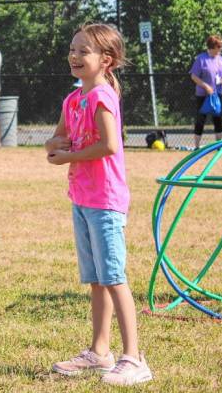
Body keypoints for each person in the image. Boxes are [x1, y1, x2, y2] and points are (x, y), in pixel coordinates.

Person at [45, 24, 153, 386]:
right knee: (96, 280)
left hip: (105, 201)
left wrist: (68, 155)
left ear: (106, 60)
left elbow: (108, 145)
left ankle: (134, 357)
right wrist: (55, 144)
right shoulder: (74, 99)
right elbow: (60, 134)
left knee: (114, 277)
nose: (74, 56)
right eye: (73, 50)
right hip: (82, 198)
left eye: (83, 51)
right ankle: (100, 352)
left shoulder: (103, 97)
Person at [189, 35, 222, 149]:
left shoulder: (221, 60)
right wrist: (205, 86)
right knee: (201, 119)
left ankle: (219, 145)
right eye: (219, 46)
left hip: (217, 94)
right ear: (212, 47)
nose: (221, 49)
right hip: (203, 95)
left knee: (218, 118)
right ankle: (197, 146)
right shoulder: (201, 59)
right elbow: (194, 76)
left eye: (221, 46)